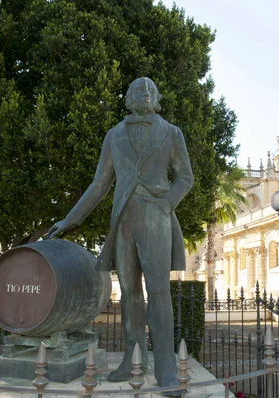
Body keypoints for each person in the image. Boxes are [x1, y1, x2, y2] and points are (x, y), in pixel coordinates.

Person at [46, 77, 193, 395]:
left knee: (159, 292)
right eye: (140, 91)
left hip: (157, 218)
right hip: (123, 219)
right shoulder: (114, 136)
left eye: (152, 90)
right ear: (128, 99)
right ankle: (131, 358)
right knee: (129, 293)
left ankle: (166, 367)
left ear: (157, 98)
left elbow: (185, 177)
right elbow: (99, 185)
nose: (147, 94)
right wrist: (70, 220)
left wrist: (166, 205)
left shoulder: (171, 133)